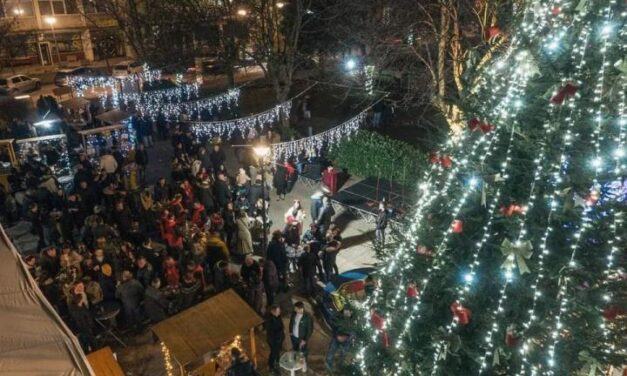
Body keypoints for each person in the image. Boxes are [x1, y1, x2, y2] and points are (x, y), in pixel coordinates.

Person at [264, 304, 284, 375]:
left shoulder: (278, 316)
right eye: (277, 311)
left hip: (279, 339)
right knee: (273, 352)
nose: (279, 313)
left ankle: (278, 360)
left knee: (277, 351)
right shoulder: (269, 320)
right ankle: (271, 365)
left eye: (279, 311)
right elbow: (271, 332)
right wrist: (280, 334)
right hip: (273, 340)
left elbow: (281, 326)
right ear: (273, 311)